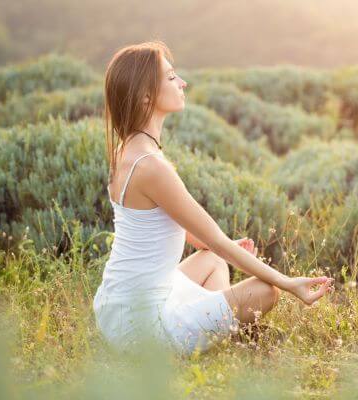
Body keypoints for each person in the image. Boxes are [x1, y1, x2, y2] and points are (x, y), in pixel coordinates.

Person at [92, 40, 334, 355]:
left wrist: (227, 247)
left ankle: (220, 332)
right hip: (141, 330)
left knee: (211, 260)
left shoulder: (129, 149)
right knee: (266, 291)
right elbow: (216, 239)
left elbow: (199, 238)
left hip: (116, 308)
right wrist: (290, 284)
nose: (182, 83)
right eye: (170, 77)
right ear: (146, 96)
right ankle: (224, 335)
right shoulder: (151, 166)